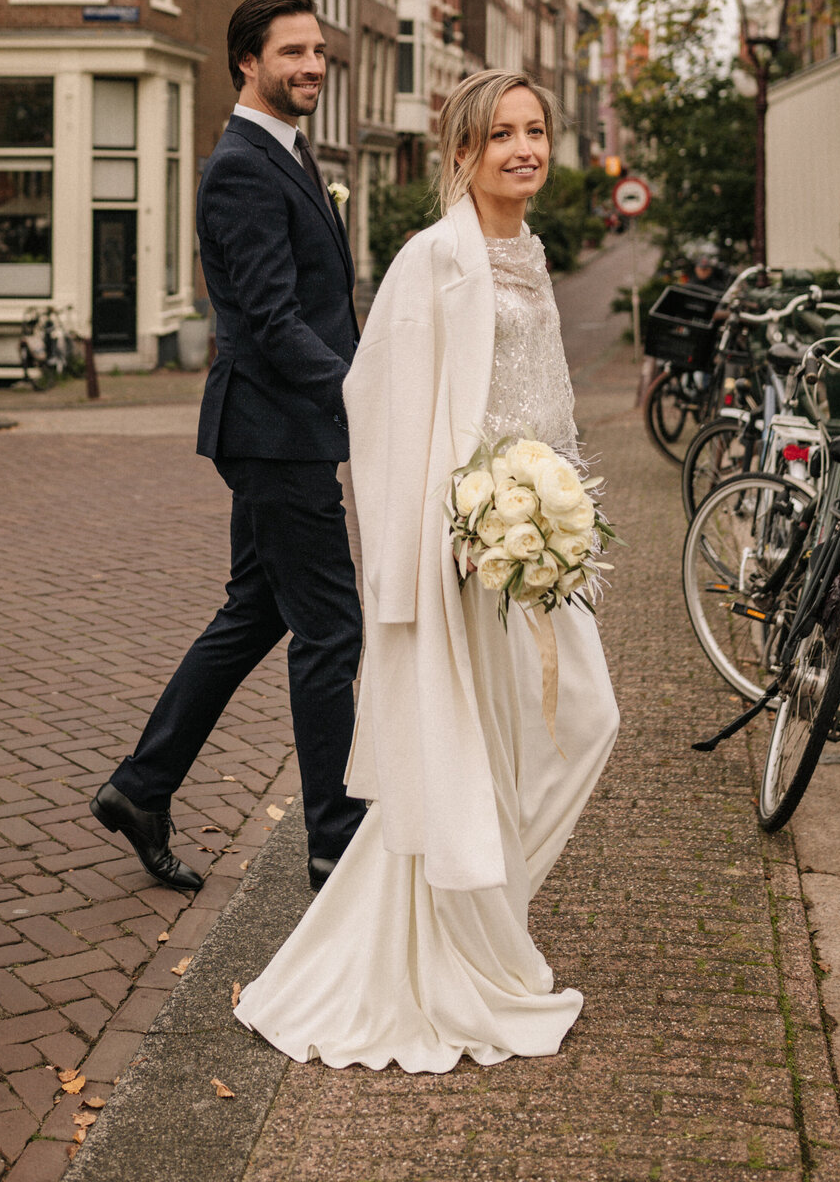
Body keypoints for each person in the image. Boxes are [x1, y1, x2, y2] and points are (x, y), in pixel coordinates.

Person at [235, 69, 619, 1071]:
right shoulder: (433, 260)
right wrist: (447, 535)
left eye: (536, 131)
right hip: (464, 553)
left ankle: (485, 911)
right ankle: (467, 937)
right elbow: (380, 400)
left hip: (537, 549)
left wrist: (561, 505)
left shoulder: (526, 252)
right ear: (463, 152)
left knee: (588, 719)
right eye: (503, 136)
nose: (525, 149)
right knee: (471, 753)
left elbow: (544, 398)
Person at [90, 0, 365, 895]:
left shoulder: (287, 150)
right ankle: (334, 839)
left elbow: (316, 305)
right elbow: (275, 321)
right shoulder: (243, 166)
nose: (312, 65)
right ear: (248, 62)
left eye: (318, 51)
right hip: (276, 432)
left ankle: (141, 786)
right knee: (330, 629)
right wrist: (363, 392)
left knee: (256, 609)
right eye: (293, 52)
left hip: (279, 427)